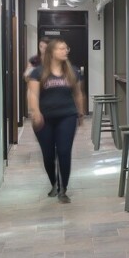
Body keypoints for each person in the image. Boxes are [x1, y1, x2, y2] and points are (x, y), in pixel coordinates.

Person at [26, 37, 84, 203]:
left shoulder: (72, 71)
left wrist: (80, 114)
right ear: (51, 53)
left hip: (67, 116)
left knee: (64, 152)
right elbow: (33, 94)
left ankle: (63, 189)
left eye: (66, 48)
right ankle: (54, 183)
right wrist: (36, 112)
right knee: (48, 154)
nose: (65, 51)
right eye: (61, 48)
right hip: (45, 118)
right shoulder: (38, 72)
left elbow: (78, 94)